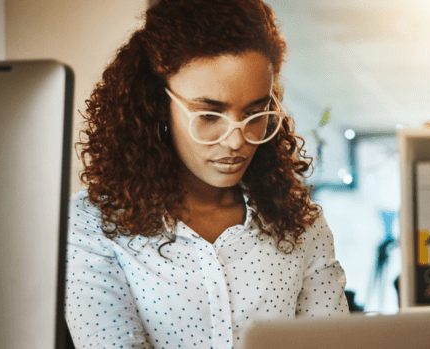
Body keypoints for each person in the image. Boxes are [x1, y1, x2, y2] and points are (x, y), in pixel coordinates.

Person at [64, 1, 349, 348]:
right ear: (157, 103)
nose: (236, 141)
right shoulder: (92, 226)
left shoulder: (302, 226)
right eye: (210, 115)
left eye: (256, 114)